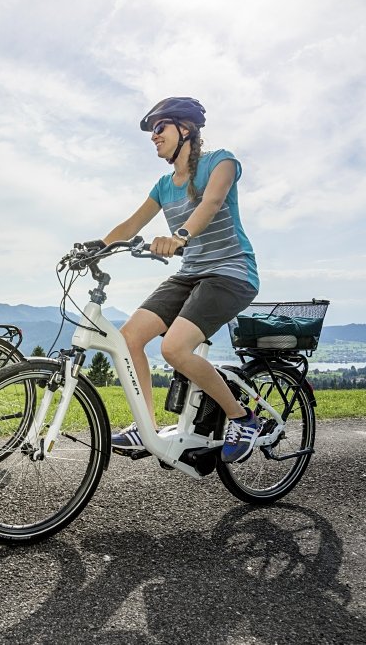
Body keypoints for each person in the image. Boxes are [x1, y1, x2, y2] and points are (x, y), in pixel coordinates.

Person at [98, 97, 261, 463]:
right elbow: (130, 226)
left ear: (184, 129)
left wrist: (181, 236)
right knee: (130, 337)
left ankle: (242, 418)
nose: (153, 137)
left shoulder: (222, 161)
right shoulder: (163, 185)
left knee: (173, 349)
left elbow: (212, 203)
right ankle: (146, 428)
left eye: (159, 128)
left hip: (231, 272)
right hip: (191, 274)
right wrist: (93, 248)